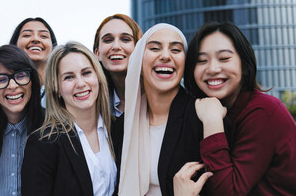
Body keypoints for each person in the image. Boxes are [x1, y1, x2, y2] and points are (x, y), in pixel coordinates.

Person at [184, 22, 296, 195]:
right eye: (201, 61)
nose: (213, 68)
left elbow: (228, 192)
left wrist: (212, 122)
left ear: (244, 66)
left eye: (224, 59)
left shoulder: (264, 111)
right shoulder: (201, 110)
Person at [119, 23, 210, 196]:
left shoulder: (202, 117)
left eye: (176, 50)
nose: (166, 56)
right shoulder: (122, 125)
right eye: (154, 48)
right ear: (139, 59)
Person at [22, 42, 116, 196]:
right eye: (69, 77)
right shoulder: (43, 143)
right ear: (56, 88)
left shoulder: (119, 129)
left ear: (98, 77)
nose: (80, 83)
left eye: (86, 73)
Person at [0, 44, 44, 195]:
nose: (12, 86)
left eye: (20, 76)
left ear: (32, 80)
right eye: (1, 79)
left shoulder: (50, 129)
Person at [92, 14, 142, 169]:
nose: (116, 46)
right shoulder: (91, 105)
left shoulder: (160, 96)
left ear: (139, 47)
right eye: (108, 40)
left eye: (125, 39)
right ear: (97, 53)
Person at [9, 17, 58, 108]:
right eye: (27, 35)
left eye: (43, 36)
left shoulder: (63, 87)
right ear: (14, 45)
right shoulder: (5, 86)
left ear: (53, 46)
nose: (36, 39)